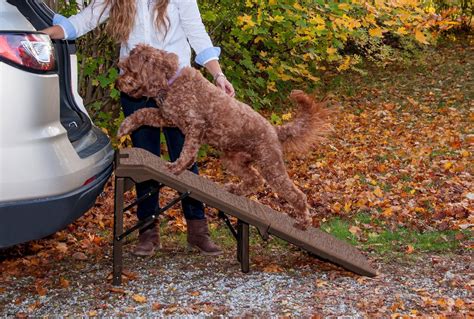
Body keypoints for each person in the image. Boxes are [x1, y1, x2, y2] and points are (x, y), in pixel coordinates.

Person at [42, 0, 235, 257]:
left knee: (185, 157)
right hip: (136, 88)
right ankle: (148, 231)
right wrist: (41, 35)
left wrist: (218, 75)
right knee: (145, 161)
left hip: (176, 88)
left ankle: (198, 230)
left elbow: (196, 31)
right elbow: (83, 21)